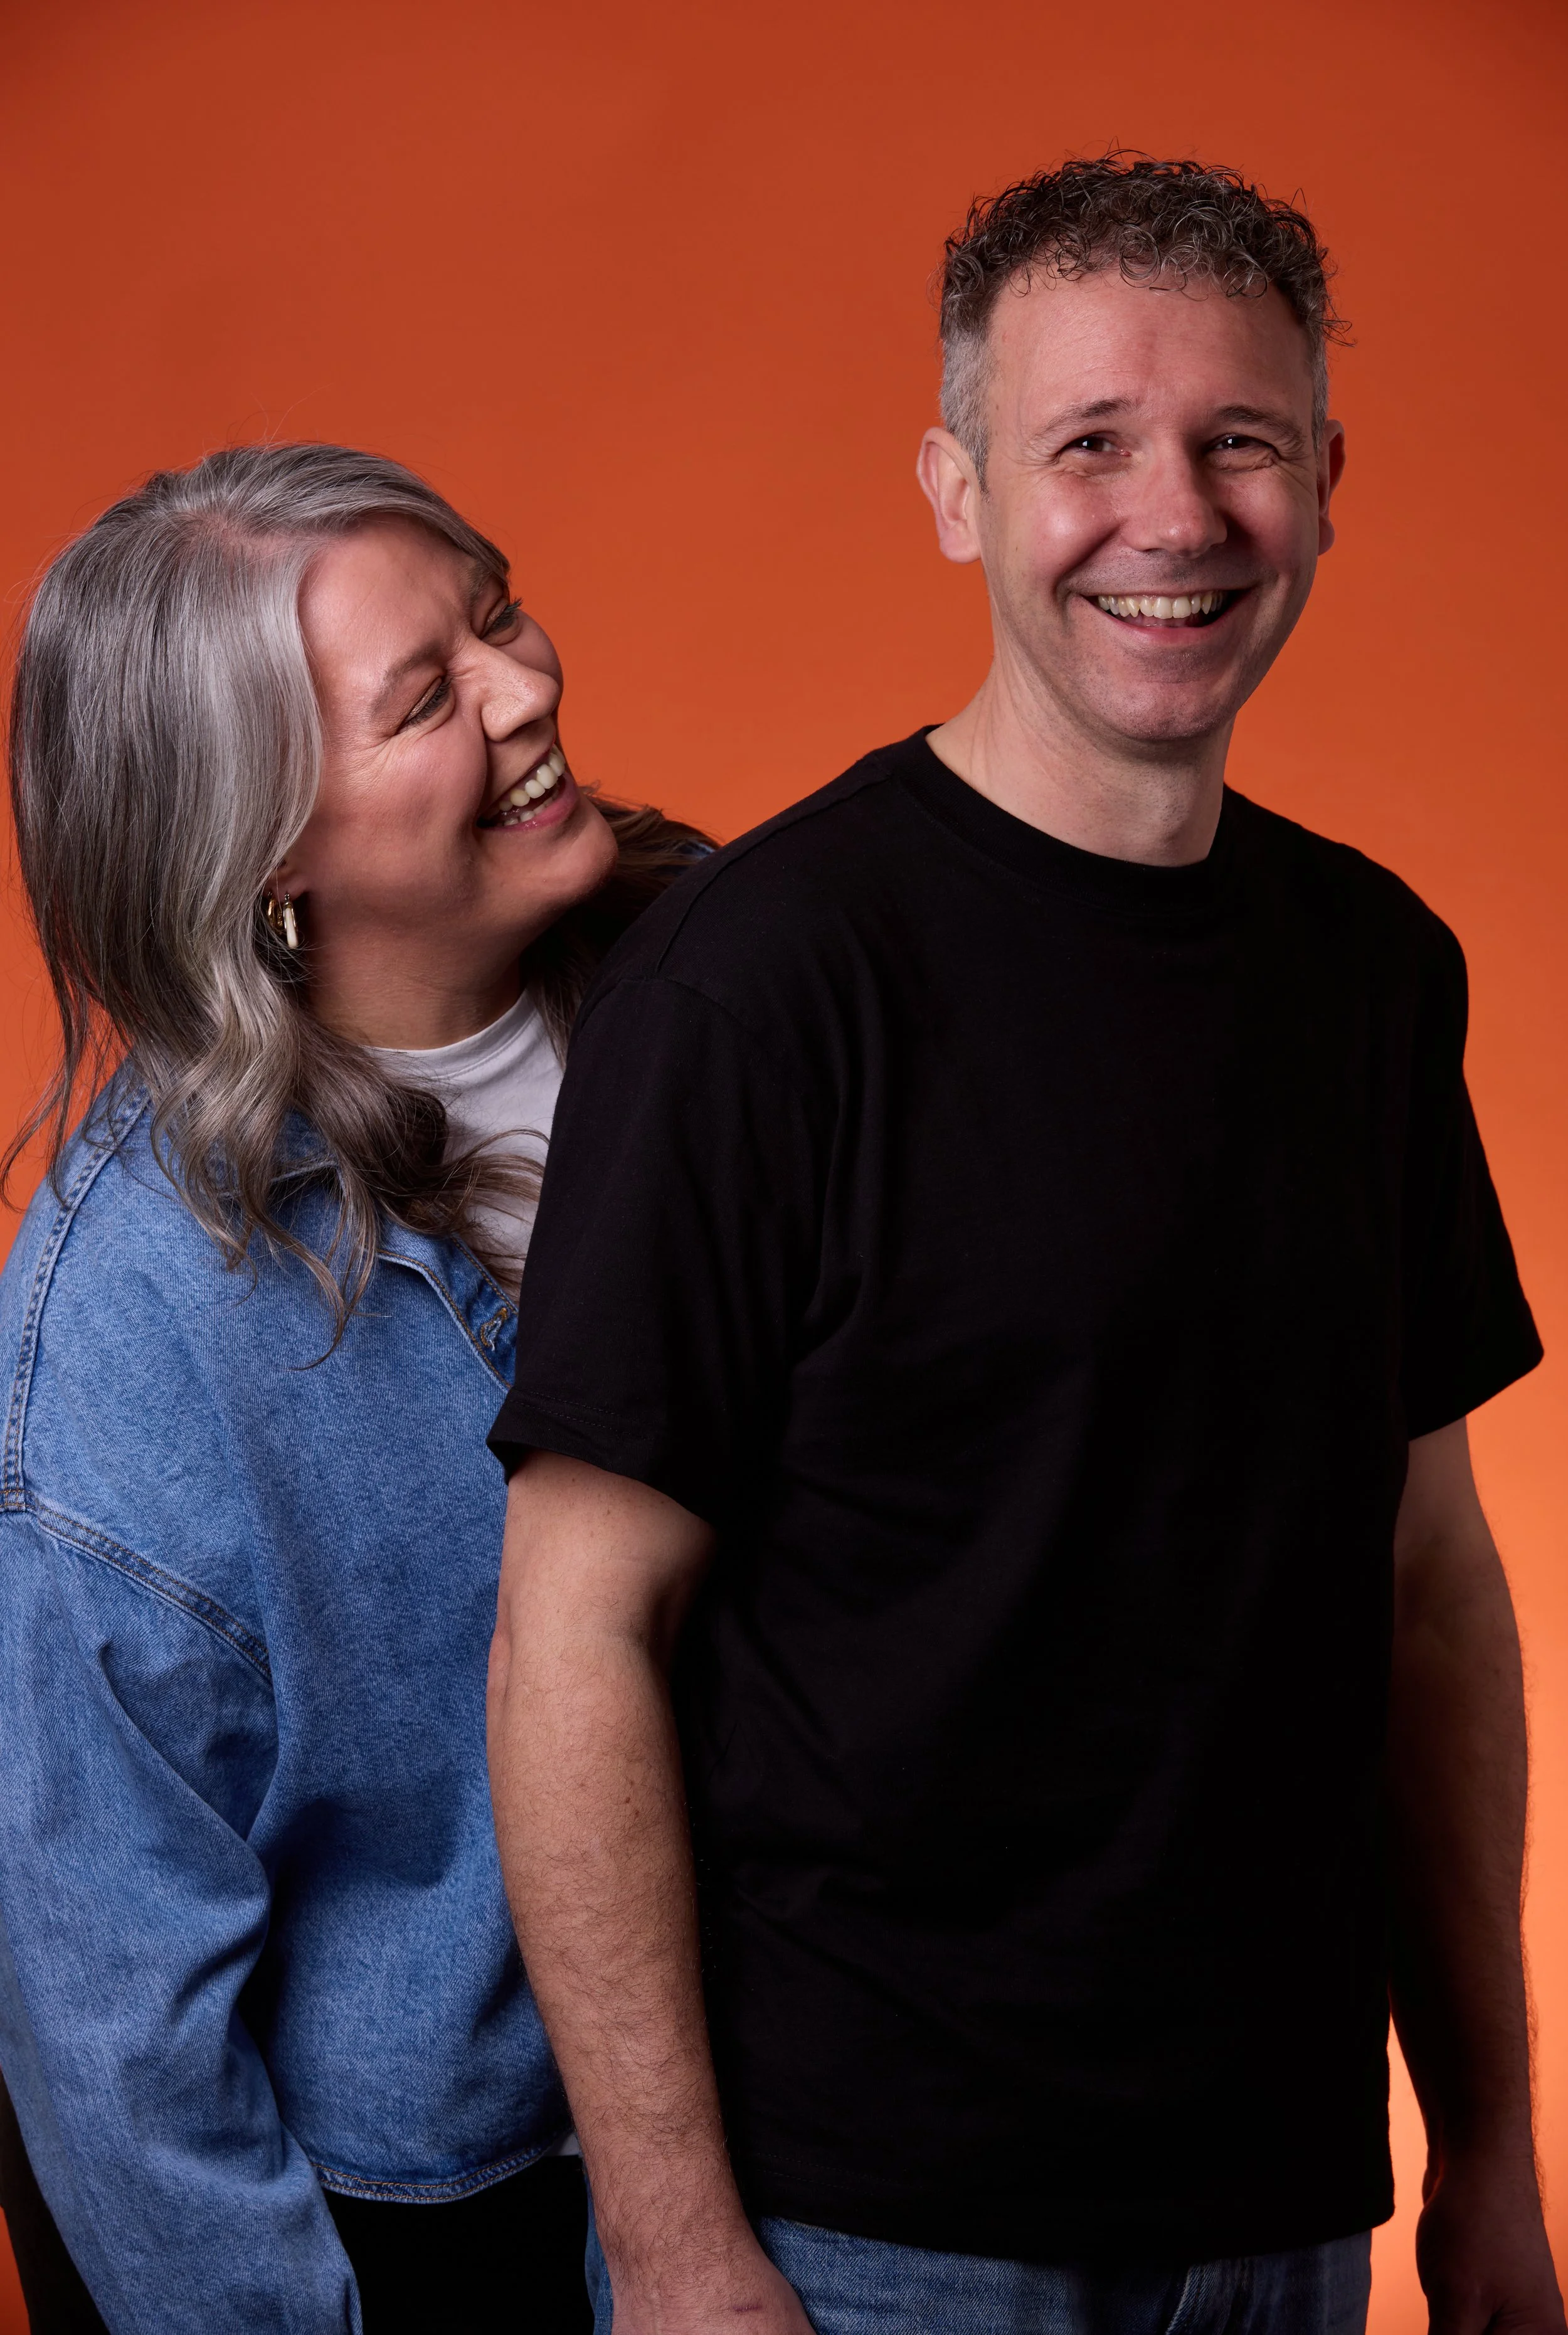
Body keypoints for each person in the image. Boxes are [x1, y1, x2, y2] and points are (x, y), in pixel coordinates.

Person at [484, 156, 1564, 2335]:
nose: (1169, 517)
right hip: (863, 2228)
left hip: (1278, 2209)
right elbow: (571, 1644)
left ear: (1325, 483)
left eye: (1237, 442)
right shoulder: (753, 987)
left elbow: (1429, 1590)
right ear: (957, 490)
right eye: (1084, 445)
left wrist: (1490, 2168)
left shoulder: (1371, 971)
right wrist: (688, 2260)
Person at [0, 442, 705, 2334]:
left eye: (495, 616)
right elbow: (109, 2031)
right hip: (453, 2219)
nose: (527, 687)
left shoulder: (728, 986)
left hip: (808, 2104)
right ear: (264, 858)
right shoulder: (135, 1323)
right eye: (428, 695)